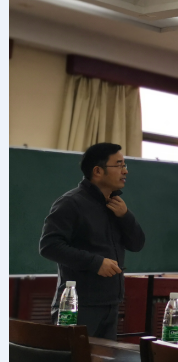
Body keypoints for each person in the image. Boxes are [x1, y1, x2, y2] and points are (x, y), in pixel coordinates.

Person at [39, 143, 146, 339]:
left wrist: (125, 216)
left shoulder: (115, 205)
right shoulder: (71, 203)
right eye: (119, 165)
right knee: (73, 358)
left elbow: (137, 244)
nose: (125, 171)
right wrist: (95, 263)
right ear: (98, 171)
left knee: (103, 359)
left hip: (111, 304)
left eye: (125, 165)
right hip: (77, 304)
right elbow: (49, 246)